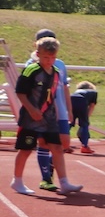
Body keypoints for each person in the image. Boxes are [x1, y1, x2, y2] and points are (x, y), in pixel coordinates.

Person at [11, 37, 80, 195]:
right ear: (38, 54)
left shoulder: (56, 73)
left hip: (49, 118)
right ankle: (17, 181)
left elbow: (53, 95)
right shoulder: (31, 70)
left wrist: (58, 113)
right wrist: (31, 110)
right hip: (31, 118)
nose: (50, 61)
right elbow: (20, 92)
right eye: (46, 57)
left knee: (57, 147)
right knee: (26, 149)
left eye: (53, 58)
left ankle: (64, 182)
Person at [30, 29, 77, 192]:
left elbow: (64, 87)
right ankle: (46, 178)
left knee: (64, 142)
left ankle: (52, 168)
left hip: (60, 108)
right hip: (43, 110)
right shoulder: (32, 64)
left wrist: (69, 109)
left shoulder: (60, 64)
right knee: (44, 143)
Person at [70, 81, 98, 154]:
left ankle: (63, 143)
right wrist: (86, 119)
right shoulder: (93, 92)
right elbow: (92, 106)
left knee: (69, 122)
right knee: (84, 125)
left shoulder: (77, 91)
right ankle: (84, 146)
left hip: (71, 99)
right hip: (81, 101)